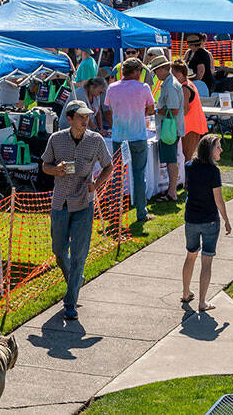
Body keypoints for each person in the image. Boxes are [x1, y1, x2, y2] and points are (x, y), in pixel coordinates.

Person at [41, 100, 115, 320]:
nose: (86, 121)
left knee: (80, 254)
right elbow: (44, 165)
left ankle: (70, 301)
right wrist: (56, 169)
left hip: (84, 201)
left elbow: (108, 165)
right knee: (59, 250)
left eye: (87, 117)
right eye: (81, 117)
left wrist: (96, 184)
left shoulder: (96, 140)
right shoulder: (56, 139)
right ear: (70, 118)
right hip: (60, 203)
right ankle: (75, 277)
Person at [181, 133, 232, 314]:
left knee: (190, 256)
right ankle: (202, 302)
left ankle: (186, 293)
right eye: (218, 147)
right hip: (209, 221)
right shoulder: (213, 172)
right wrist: (226, 220)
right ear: (210, 150)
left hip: (191, 219)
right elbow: (218, 199)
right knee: (207, 261)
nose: (221, 150)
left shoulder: (189, 166)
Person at [106, 57, 156, 222]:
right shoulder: (143, 87)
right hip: (138, 136)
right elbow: (150, 109)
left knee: (117, 175)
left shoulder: (112, 88)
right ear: (136, 72)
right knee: (139, 175)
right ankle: (141, 212)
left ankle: (114, 213)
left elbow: (109, 109)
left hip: (119, 136)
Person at [150, 56, 184, 203]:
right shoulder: (170, 83)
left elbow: (174, 110)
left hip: (169, 128)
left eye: (156, 71)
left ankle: (172, 192)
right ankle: (171, 189)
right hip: (170, 128)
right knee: (171, 160)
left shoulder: (170, 85)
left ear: (163, 69)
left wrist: (157, 111)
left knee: (171, 161)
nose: (156, 74)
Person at [172, 60, 208, 159]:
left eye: (173, 74)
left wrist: (171, 118)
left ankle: (190, 175)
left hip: (190, 126)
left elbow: (184, 110)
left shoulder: (185, 87)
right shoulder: (188, 83)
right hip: (193, 125)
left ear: (179, 74)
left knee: (188, 157)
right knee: (189, 156)